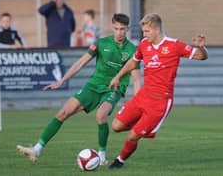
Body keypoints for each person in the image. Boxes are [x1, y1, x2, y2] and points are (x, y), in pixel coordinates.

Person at [16, 13, 141, 166]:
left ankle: (101, 156)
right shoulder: (101, 43)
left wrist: (137, 99)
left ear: (127, 29)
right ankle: (36, 149)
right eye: (116, 28)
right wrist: (62, 80)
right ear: (112, 27)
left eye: (122, 29)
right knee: (63, 112)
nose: (119, 32)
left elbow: (135, 77)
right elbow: (81, 62)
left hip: (114, 88)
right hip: (93, 85)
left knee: (101, 115)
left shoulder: (133, 49)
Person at [108, 13, 208, 169]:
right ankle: (141, 126)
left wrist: (201, 46)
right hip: (143, 96)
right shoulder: (144, 45)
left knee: (133, 136)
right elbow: (133, 62)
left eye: (147, 31)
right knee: (115, 126)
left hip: (160, 102)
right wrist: (117, 77)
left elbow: (202, 56)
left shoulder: (175, 45)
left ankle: (119, 160)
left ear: (156, 29)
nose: (144, 35)